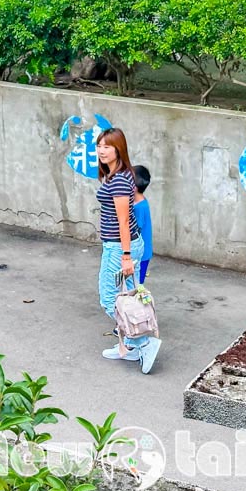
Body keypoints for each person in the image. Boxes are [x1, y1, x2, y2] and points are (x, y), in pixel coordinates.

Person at [96, 128, 161, 374]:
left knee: (110, 298)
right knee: (126, 297)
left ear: (118, 149)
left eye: (107, 147)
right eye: (99, 146)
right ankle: (127, 348)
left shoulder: (121, 179)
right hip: (121, 246)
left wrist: (125, 256)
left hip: (119, 249)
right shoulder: (118, 174)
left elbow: (124, 221)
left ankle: (143, 342)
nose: (102, 151)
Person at [133, 165, 153, 285]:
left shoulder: (140, 207)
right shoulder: (139, 202)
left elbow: (136, 229)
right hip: (140, 252)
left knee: (137, 285)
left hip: (141, 253)